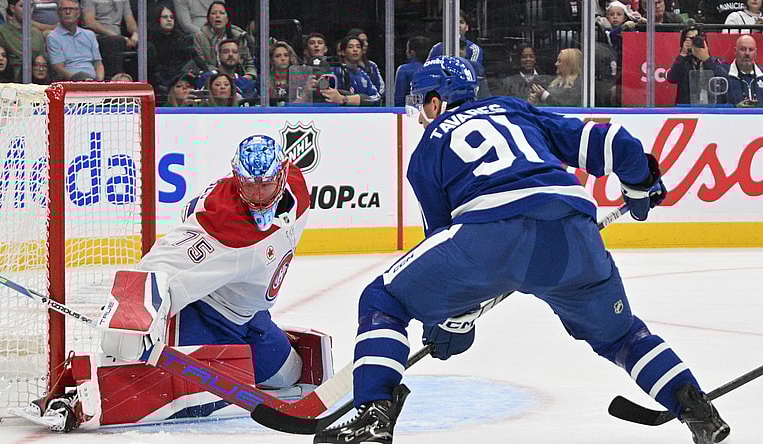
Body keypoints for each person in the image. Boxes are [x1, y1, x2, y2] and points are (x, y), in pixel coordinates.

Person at [313, 55, 732, 444]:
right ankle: (694, 407)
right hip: (574, 235)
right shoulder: (516, 110)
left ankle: (373, 413)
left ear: (437, 101)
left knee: (384, 296)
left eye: (421, 103)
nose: (419, 113)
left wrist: (449, 325)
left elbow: (444, 245)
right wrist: (639, 184)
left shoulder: (427, 149)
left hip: (490, 234)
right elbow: (616, 144)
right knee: (622, 335)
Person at [26, 135, 326, 431]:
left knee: (290, 374)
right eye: (250, 185)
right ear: (237, 179)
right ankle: (78, 396)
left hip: (250, 316)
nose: (258, 194)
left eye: (266, 184)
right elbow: (162, 264)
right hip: (204, 319)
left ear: (283, 175)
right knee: (177, 394)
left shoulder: (298, 189)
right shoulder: (224, 225)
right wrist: (131, 317)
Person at [190, 1, 255, 79]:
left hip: (238, 79)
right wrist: (223, 77)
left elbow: (249, 65)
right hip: (211, 78)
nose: (217, 16)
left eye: (221, 13)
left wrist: (247, 78)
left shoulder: (239, 36)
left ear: (227, 18)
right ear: (208, 18)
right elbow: (201, 64)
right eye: (213, 13)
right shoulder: (200, 36)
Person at [0, 0, 45, 81]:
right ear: (12, 8)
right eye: (22, 6)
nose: (27, 10)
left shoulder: (37, 34)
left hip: (34, 83)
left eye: (30, 6)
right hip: (9, 82)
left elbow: (43, 61)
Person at [666, 26, 726, 105]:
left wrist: (707, 59)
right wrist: (683, 54)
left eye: (698, 39)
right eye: (692, 39)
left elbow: (725, 80)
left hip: (711, 109)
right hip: (687, 109)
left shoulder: (716, 62)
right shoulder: (682, 63)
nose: (696, 42)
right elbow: (672, 78)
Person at [46, 0, 104, 81]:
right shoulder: (53, 37)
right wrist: (79, 79)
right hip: (70, 81)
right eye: (64, 9)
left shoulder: (90, 35)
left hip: (93, 81)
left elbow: (98, 64)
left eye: (71, 9)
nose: (68, 12)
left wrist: (99, 81)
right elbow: (58, 68)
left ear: (78, 13)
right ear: (58, 13)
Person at [80, 0, 139, 79]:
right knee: (114, 42)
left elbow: (130, 21)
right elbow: (90, 22)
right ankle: (115, 81)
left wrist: (136, 33)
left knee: (147, 45)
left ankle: (149, 82)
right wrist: (117, 36)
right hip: (97, 36)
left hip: (119, 38)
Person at [724, 34, 762, 106]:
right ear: (735, 51)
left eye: (751, 49)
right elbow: (718, 107)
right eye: (743, 49)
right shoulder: (725, 75)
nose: (747, 53)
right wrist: (735, 108)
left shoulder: (762, 74)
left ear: (756, 53)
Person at [346, 28, 384, 98]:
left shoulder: (372, 66)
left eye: (366, 41)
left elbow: (381, 89)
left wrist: (373, 98)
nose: (366, 44)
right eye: (362, 41)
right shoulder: (342, 69)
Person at [394, 35, 429, 106]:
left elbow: (399, 99)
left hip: (409, 113)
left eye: (407, 49)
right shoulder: (432, 68)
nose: (406, 52)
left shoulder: (404, 70)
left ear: (412, 52)